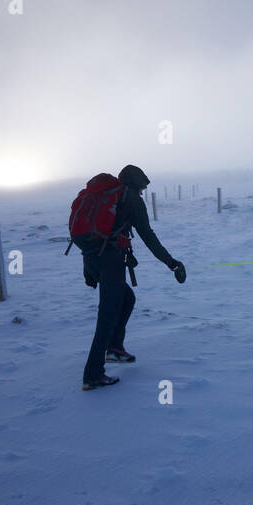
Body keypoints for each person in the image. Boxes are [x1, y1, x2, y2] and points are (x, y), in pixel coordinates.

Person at [80, 165, 186, 390]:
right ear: (136, 185)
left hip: (95, 258)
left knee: (127, 299)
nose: (143, 192)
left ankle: (115, 348)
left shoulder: (108, 198)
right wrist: (171, 262)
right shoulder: (131, 201)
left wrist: (89, 270)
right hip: (111, 261)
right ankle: (93, 374)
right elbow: (148, 236)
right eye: (142, 188)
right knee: (107, 316)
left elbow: (88, 236)